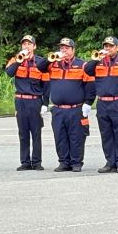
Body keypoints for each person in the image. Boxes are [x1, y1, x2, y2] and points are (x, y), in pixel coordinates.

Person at [36, 38, 95, 172]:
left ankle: (76, 163)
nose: (64, 51)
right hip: (58, 109)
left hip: (76, 108)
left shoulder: (82, 65)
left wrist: (88, 103)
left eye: (67, 48)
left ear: (73, 50)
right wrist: (50, 59)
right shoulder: (53, 64)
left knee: (77, 137)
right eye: (62, 48)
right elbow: (40, 67)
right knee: (60, 136)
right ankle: (64, 162)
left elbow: (91, 86)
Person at [84, 37, 118, 173]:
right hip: (102, 102)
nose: (108, 49)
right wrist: (96, 59)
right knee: (106, 134)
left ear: (117, 48)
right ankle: (110, 162)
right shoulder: (98, 62)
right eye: (106, 46)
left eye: (111, 46)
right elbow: (88, 71)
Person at [5, 35, 49, 171]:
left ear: (34, 46)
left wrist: (45, 104)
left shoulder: (41, 62)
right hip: (20, 100)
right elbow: (9, 73)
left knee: (36, 133)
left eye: (29, 44)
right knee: (23, 133)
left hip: (35, 101)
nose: (26, 47)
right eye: (24, 44)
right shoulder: (15, 60)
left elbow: (47, 85)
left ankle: (36, 162)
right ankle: (25, 161)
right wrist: (19, 60)